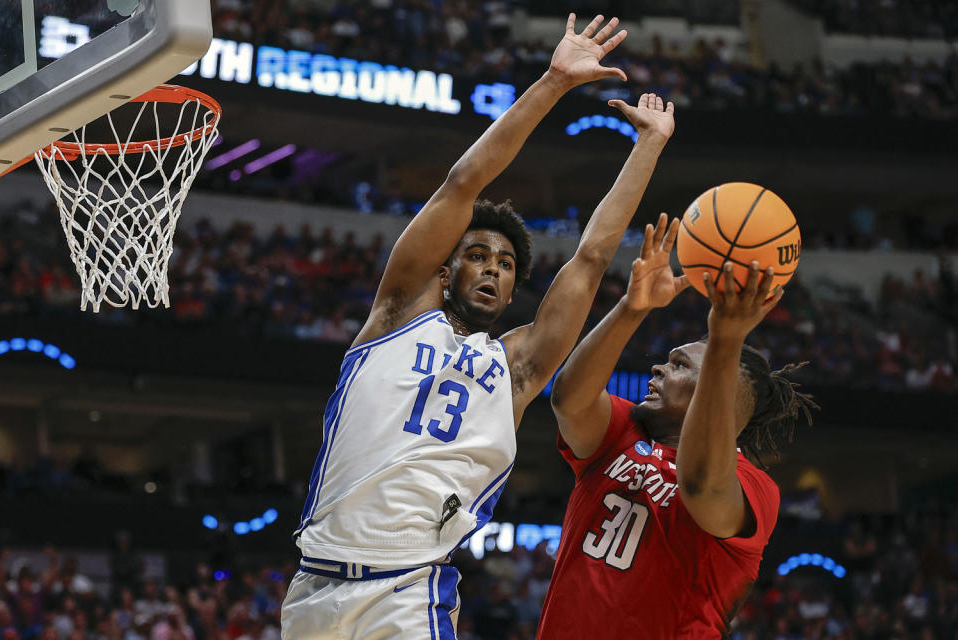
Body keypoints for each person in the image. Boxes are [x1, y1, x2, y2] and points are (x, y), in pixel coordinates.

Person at [281, 13, 677, 640]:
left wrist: (648, 146)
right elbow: (463, 182)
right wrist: (551, 83)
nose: (493, 269)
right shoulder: (397, 312)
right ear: (444, 270)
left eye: (507, 265)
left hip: (408, 589)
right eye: (478, 255)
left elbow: (593, 257)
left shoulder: (516, 366)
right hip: (313, 586)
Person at [537, 216, 817, 638]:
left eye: (679, 365)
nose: (658, 367)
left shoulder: (753, 487)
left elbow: (701, 484)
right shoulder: (622, 434)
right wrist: (632, 308)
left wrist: (724, 341)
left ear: (713, 389)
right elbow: (568, 398)